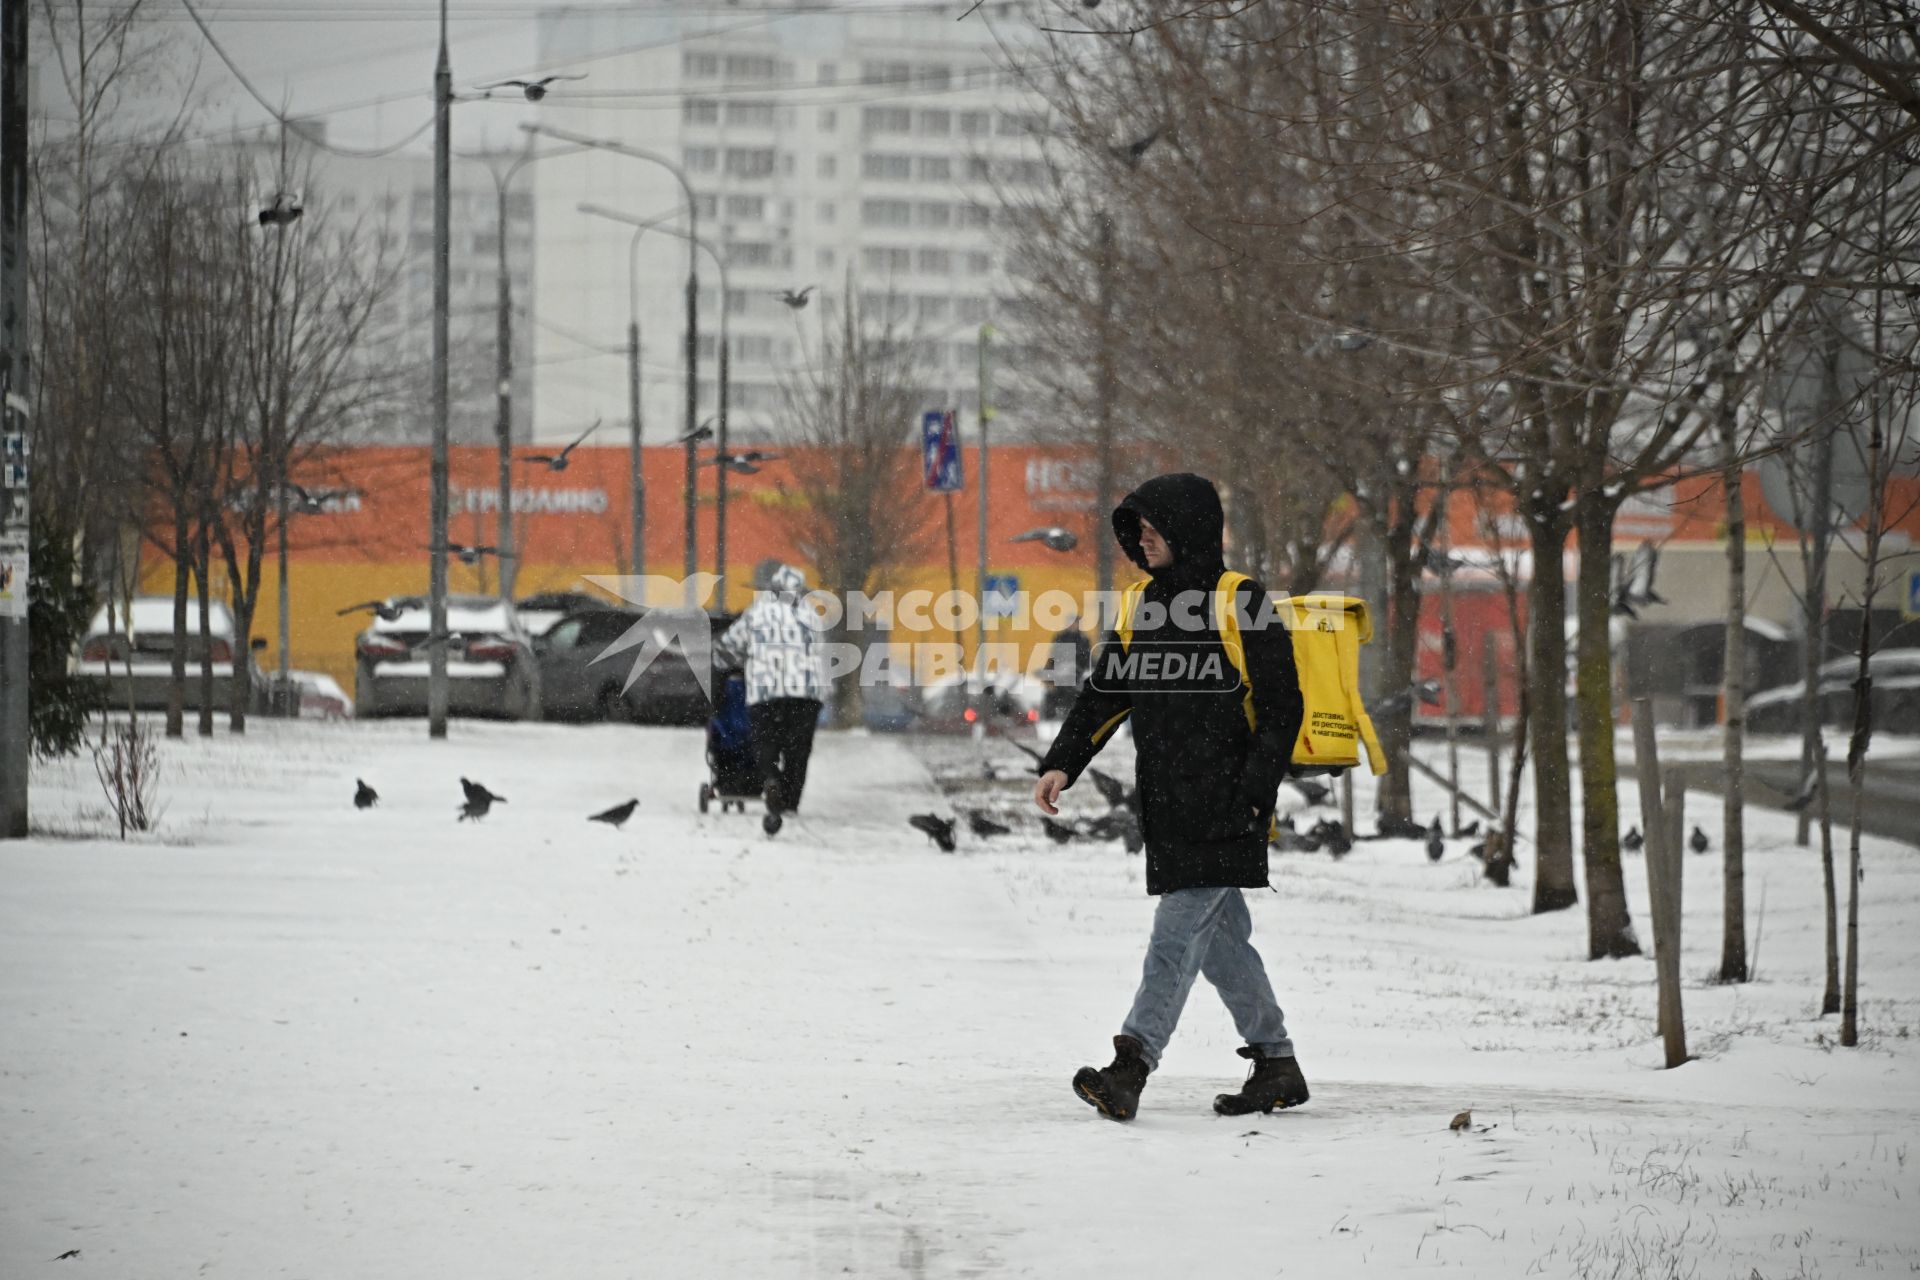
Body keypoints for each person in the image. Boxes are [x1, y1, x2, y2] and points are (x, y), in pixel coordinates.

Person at [1034, 473, 1309, 1122]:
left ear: (1189, 531)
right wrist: (1063, 764)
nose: (1144, 542)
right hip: (1169, 806)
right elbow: (1107, 695)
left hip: (1226, 809)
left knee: (1174, 939)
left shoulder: (1239, 600)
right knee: (1219, 944)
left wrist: (1253, 794)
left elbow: (1281, 708)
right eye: (1138, 532)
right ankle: (1277, 1064)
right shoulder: (1138, 607)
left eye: (1154, 531)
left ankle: (1130, 1066)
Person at [718, 562, 826, 835]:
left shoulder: (757, 614)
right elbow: (820, 652)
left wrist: (735, 663)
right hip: (806, 695)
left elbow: (727, 648)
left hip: (767, 693)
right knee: (798, 751)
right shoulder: (813, 617)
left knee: (765, 743)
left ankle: (770, 779)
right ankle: (789, 803)